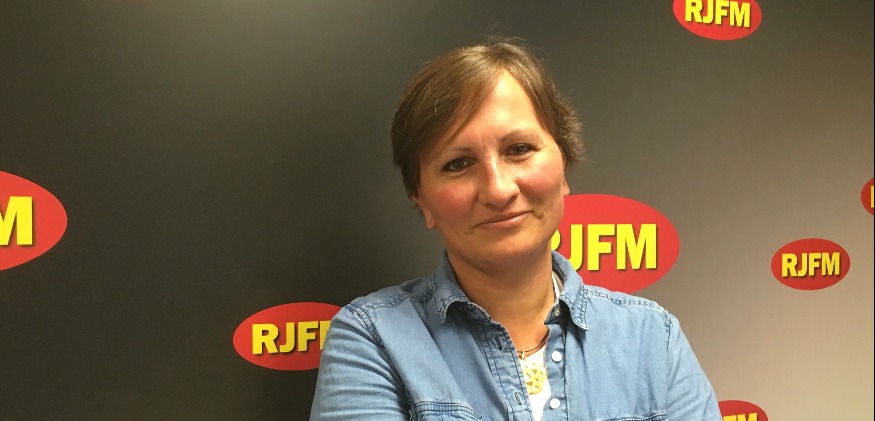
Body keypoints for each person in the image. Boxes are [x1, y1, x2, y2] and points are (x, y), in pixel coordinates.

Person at [310, 38, 721, 421]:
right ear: (422, 200)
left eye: (519, 149)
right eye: (458, 164)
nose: (498, 189)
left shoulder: (652, 338)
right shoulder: (372, 340)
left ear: (563, 165)